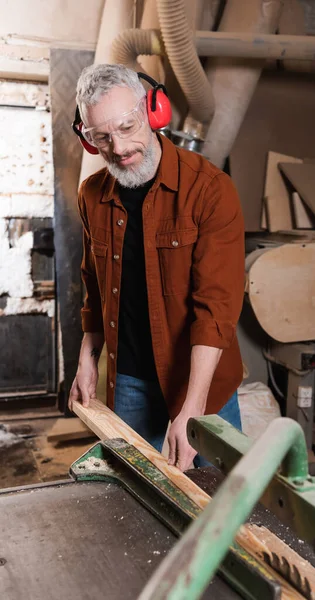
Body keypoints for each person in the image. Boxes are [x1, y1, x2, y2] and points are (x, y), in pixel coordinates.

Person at [68, 63, 245, 471]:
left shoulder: (209, 189)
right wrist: (88, 356)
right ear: (89, 140)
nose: (120, 147)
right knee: (141, 502)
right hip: (130, 379)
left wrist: (192, 409)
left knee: (220, 502)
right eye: (102, 137)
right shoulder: (91, 195)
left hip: (201, 383)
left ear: (153, 110)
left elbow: (216, 308)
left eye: (128, 126)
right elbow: (93, 284)